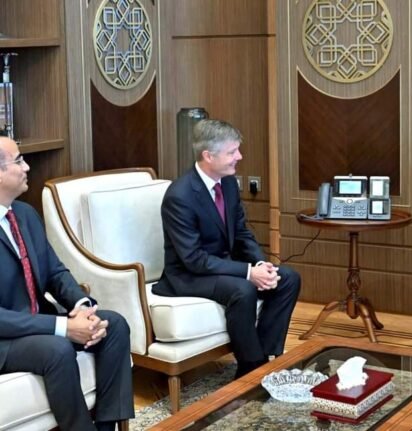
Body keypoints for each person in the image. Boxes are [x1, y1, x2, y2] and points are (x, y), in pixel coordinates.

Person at [0, 136, 134, 430]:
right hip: (5, 339)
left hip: (39, 324)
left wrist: (82, 307)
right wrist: (63, 327)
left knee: (114, 325)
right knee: (57, 349)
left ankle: (106, 427)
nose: (27, 167)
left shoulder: (24, 214)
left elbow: (54, 272)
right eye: (19, 160)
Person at [153, 119, 301, 378]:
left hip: (222, 266)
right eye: (232, 152)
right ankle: (251, 369)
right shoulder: (180, 196)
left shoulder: (229, 184)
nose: (239, 157)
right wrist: (248, 273)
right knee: (243, 289)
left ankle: (264, 360)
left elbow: (241, 232)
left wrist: (259, 264)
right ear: (208, 156)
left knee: (287, 278)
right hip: (188, 275)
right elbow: (194, 259)